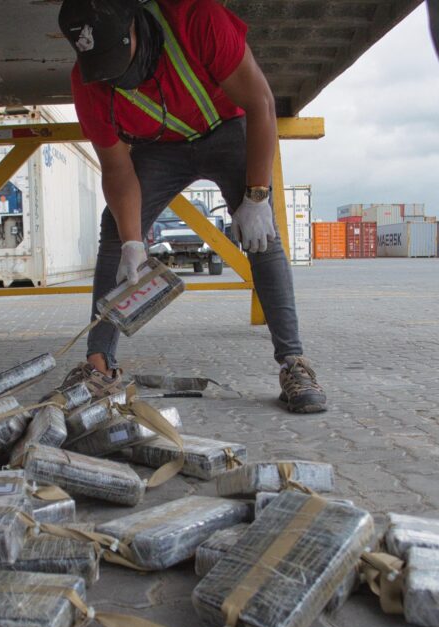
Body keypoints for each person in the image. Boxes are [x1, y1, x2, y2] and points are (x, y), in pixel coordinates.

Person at [56, 0, 326, 413]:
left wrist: (256, 197)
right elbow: (116, 168)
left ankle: (294, 363)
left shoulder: (195, 17)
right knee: (115, 231)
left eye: (116, 56)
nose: (112, 75)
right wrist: (133, 243)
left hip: (227, 129)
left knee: (261, 236)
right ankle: (99, 366)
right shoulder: (87, 81)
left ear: (134, 25)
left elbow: (261, 104)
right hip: (159, 149)